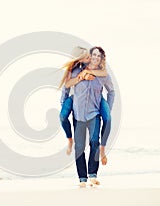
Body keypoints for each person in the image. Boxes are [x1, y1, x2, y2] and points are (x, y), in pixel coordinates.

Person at [64, 46, 115, 187]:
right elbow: (66, 85)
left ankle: (93, 174)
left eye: (99, 56)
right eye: (94, 55)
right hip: (78, 114)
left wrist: (107, 109)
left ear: (101, 59)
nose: (95, 58)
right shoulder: (77, 70)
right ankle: (82, 178)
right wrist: (64, 103)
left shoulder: (104, 76)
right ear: (90, 56)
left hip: (94, 114)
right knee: (79, 147)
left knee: (94, 142)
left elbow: (111, 92)